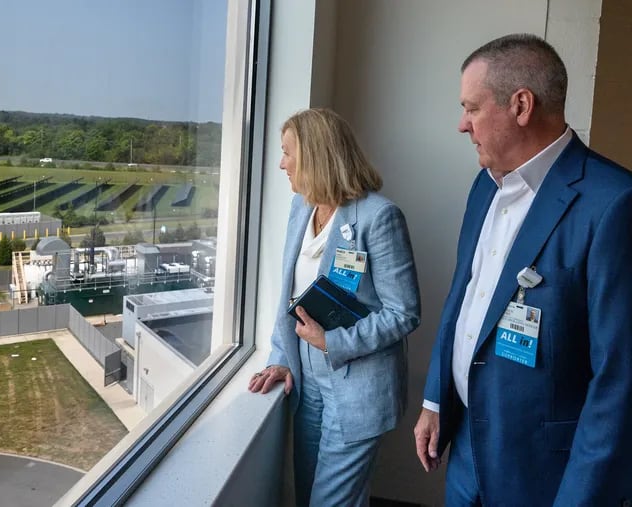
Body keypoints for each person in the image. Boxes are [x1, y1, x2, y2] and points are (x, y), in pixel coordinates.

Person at [413, 33, 632, 506]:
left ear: (520, 105)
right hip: (467, 446)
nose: (462, 125)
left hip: (544, 472)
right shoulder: (484, 187)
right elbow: (463, 297)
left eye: (471, 108)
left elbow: (619, 380)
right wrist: (435, 399)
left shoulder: (612, 204)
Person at [248, 108, 421, 506]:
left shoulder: (379, 218)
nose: (281, 163)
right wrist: (281, 357)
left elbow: (404, 312)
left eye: (288, 153)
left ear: (316, 156)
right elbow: (289, 296)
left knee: (332, 501)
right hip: (306, 383)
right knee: (309, 493)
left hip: (356, 382)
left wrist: (332, 342)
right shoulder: (300, 208)